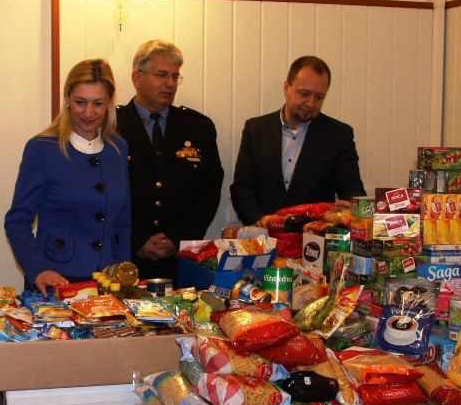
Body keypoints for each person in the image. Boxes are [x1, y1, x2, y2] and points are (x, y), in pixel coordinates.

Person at [5, 59, 131, 294]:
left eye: (98, 103)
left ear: (109, 103)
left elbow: (123, 223)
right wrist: (38, 269)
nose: (88, 112)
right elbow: (17, 221)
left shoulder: (118, 149)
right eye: (80, 102)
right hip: (56, 281)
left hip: (108, 281)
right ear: (67, 99)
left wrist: (124, 273)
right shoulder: (42, 148)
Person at [116, 40, 224, 281]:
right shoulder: (112, 126)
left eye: (175, 76)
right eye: (161, 75)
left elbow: (209, 191)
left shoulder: (199, 128)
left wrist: (177, 238)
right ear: (137, 78)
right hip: (125, 258)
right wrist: (136, 239)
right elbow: (103, 194)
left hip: (180, 260)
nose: (170, 84)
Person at [230, 55, 366, 226]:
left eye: (319, 97)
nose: (311, 103)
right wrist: (261, 224)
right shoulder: (256, 129)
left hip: (314, 236)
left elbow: (352, 191)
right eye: (304, 94)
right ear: (287, 87)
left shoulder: (339, 135)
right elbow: (242, 188)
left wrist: (356, 215)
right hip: (263, 235)